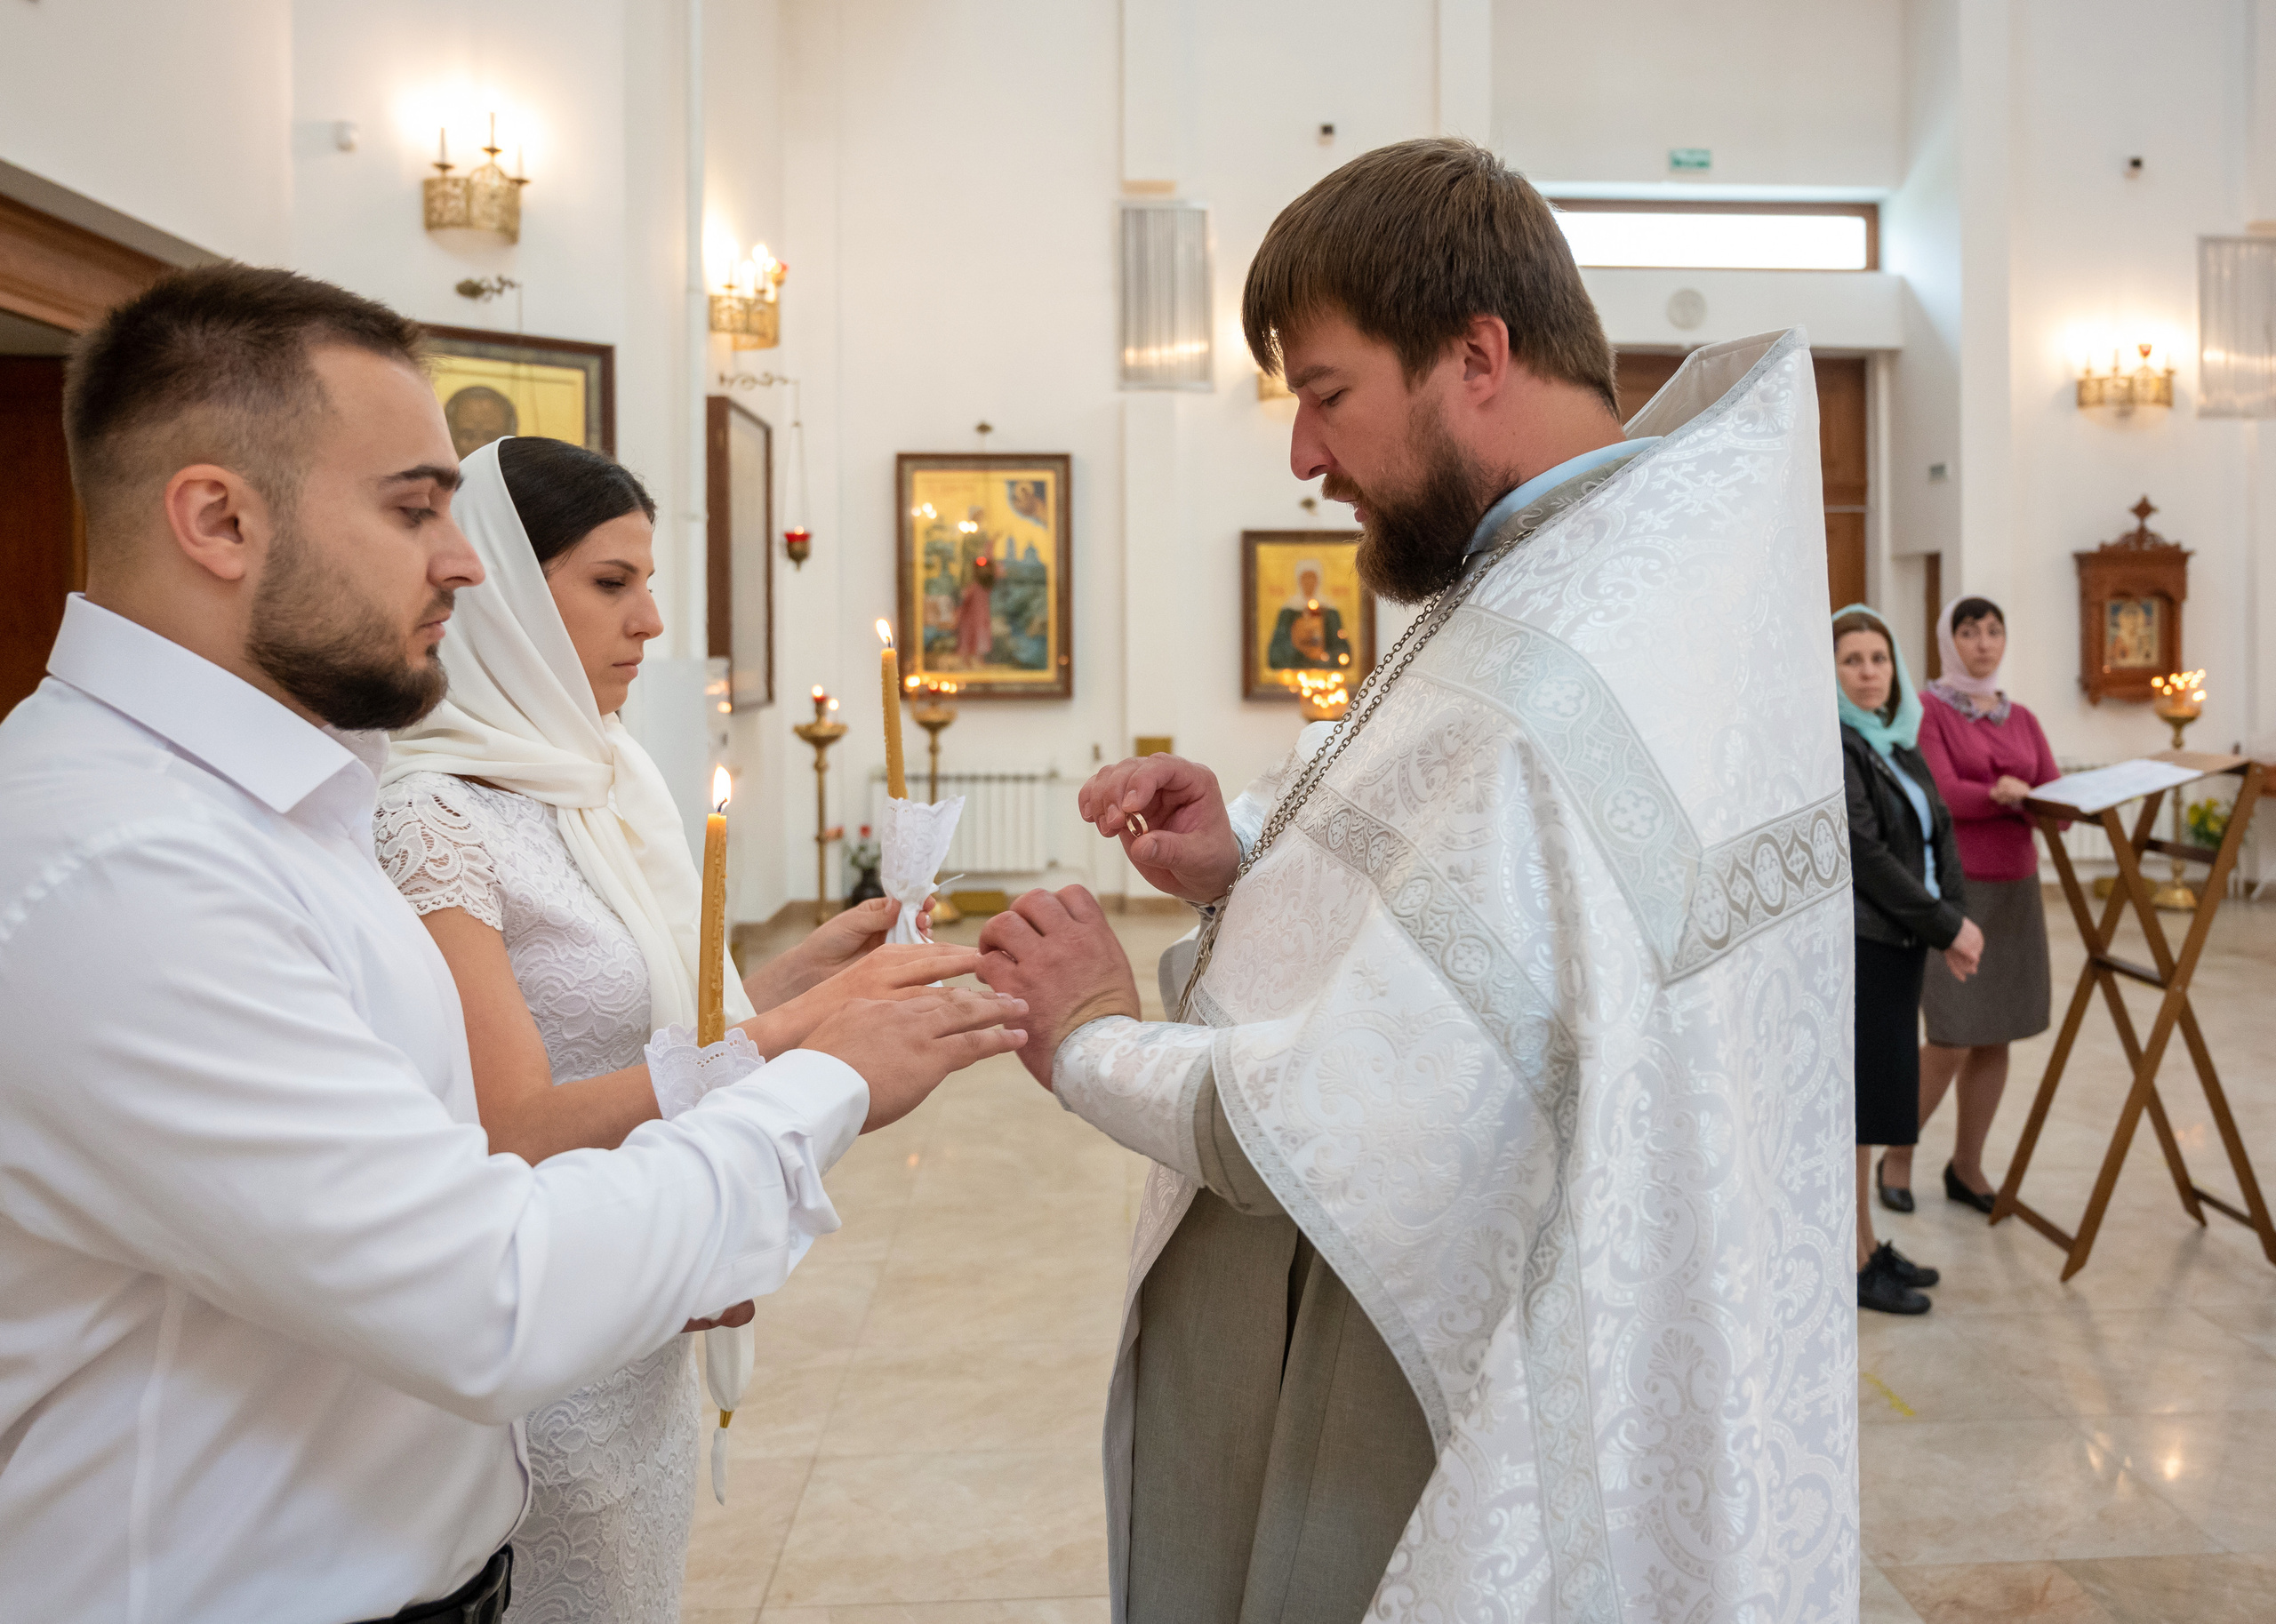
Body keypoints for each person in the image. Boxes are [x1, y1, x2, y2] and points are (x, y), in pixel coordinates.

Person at [0, 264, 1025, 1622]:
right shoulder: (129, 863)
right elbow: (492, 1288)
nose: (466, 558)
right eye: (413, 506)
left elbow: (430, 1155)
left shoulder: (295, 800)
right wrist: (817, 1072)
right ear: (219, 518)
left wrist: (682, 1205)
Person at [974, 139, 1856, 1624]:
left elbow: (1342, 1115)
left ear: (1477, 354)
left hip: (1446, 1371)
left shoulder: (1581, 639)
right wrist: (1252, 851)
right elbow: (1489, 884)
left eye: (1325, 394)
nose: (1304, 457)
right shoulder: (1572, 571)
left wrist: (1088, 1037)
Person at [375, 435, 978, 1622]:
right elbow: (512, 1125)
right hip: (544, 1345)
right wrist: (811, 1029)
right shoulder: (429, 814)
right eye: (611, 582)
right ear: (497, 583)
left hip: (641, 1299)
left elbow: (643, 1013)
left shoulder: (597, 772)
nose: (651, 621)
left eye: (648, 581)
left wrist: (800, 966)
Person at [1880, 596, 2060, 1213]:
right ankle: (1897, 1156)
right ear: (1948, 639)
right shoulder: (1927, 708)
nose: (1983, 642)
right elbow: (1941, 792)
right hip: (1957, 890)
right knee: (1952, 1034)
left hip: (2017, 889)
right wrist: (2005, 795)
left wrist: (2039, 799)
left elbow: (2055, 795)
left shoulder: (2024, 717)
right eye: (1969, 631)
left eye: (1993, 631)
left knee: (1996, 1035)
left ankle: (1968, 1167)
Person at [1834, 604, 1979, 1314]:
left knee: (1878, 1100)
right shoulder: (1838, 742)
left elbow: (1938, 828)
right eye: (1852, 660)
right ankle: (1855, 1258)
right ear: (1830, 672)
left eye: (1879, 659)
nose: (1868, 673)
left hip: (1902, 941)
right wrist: (1947, 926)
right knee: (1862, 1107)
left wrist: (1950, 916)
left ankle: (1865, 1246)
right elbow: (1869, 856)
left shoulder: (1898, 736)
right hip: (1867, 942)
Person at [1264, 560, 1351, 670]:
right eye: (1305, 577)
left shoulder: (1330, 611)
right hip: (1294, 671)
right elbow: (1276, 653)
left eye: (1312, 577)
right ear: (1299, 580)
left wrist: (1325, 656)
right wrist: (1299, 647)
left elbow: (1341, 649)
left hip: (1325, 675)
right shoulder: (1288, 611)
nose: (1309, 582)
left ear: (1318, 580)